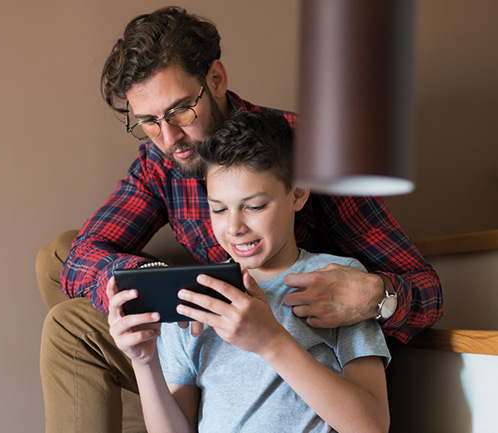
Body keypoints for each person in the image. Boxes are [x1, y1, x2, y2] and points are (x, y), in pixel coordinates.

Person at [38, 6, 441, 433]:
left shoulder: (301, 150)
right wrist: (160, 286)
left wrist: (375, 295)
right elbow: (82, 255)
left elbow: (425, 288)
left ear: (215, 79)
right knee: (57, 260)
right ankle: (173, 392)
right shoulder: (162, 162)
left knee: (66, 316)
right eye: (150, 123)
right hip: (204, 317)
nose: (169, 138)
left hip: (298, 320)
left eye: (180, 111)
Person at [107, 109, 391, 432]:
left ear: (297, 193)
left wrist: (271, 341)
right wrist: (144, 363)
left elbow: (373, 426)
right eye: (218, 209)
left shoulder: (337, 281)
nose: (234, 227)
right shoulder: (193, 298)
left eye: (254, 206)